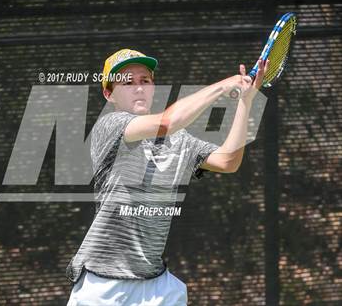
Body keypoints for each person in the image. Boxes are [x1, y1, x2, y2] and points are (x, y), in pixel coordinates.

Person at [67, 48, 269, 305]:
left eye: (145, 81)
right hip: (104, 285)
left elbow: (228, 161)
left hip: (156, 287)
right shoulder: (110, 126)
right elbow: (166, 122)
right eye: (127, 82)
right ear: (109, 94)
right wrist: (225, 86)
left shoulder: (179, 141)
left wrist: (246, 101)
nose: (139, 88)